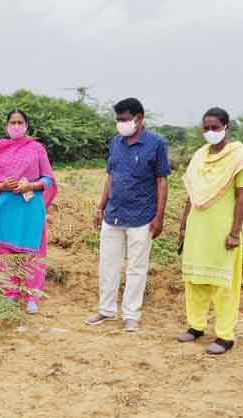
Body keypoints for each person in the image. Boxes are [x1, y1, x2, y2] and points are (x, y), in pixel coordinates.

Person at [85, 98, 170, 331]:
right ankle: (106, 310)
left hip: (142, 217)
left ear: (138, 118)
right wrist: (100, 208)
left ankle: (131, 313)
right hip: (113, 214)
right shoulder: (116, 143)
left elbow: (161, 181)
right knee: (108, 264)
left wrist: (159, 216)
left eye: (124, 119)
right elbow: (110, 177)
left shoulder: (156, 144)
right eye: (118, 119)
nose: (120, 123)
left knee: (136, 267)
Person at [177, 107, 243, 354]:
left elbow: (242, 198)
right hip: (197, 228)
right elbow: (192, 194)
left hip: (222, 230)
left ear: (226, 128)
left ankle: (225, 336)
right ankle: (195, 326)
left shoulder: (240, 156)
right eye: (206, 128)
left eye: (215, 127)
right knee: (194, 280)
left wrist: (234, 233)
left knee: (223, 285)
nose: (210, 132)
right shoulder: (200, 154)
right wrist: (183, 226)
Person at [0, 110, 58, 314]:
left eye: (20, 122)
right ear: (6, 126)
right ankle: (9, 293)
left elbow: (48, 179)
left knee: (33, 252)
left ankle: (32, 296)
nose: (16, 126)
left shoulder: (36, 149)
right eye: (13, 122)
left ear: (27, 125)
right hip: (5, 209)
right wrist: (2, 185)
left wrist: (31, 185)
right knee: (5, 253)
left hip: (30, 209)